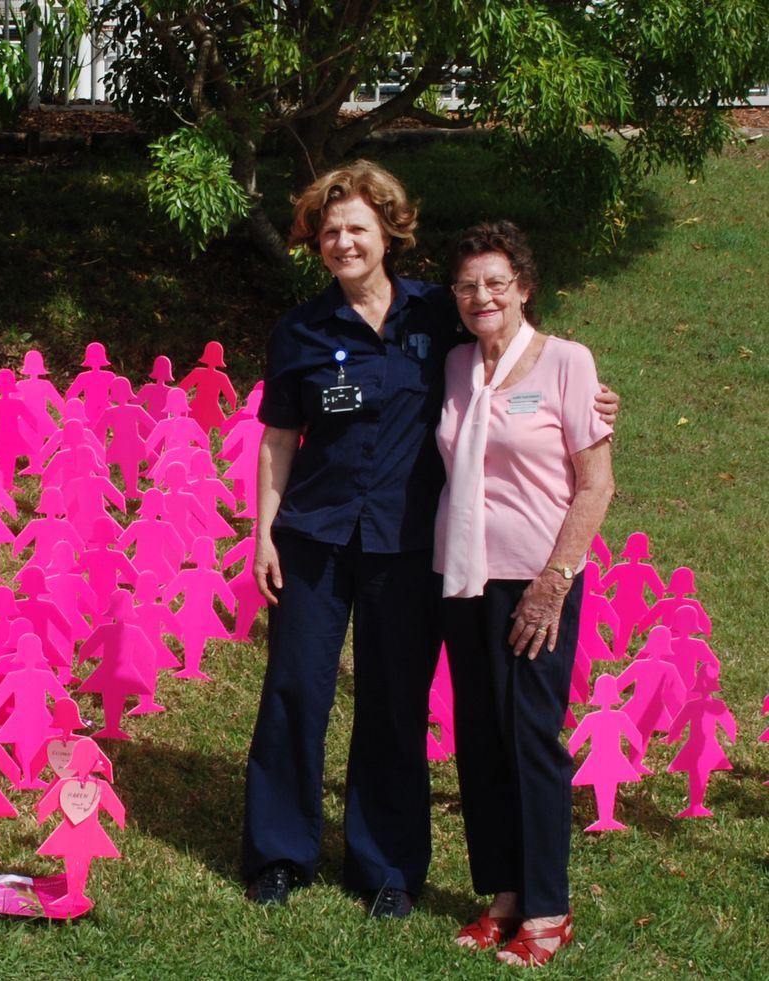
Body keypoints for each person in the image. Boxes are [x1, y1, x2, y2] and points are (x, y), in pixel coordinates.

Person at [238, 162, 615, 918]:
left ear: (387, 233)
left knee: (393, 701)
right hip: (313, 536)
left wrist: (593, 397)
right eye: (330, 231)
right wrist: (263, 532)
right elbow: (279, 439)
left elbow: (511, 354)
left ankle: (386, 867)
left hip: (406, 544)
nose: (343, 242)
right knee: (293, 692)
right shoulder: (301, 330)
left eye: (357, 228)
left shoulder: (436, 314)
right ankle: (280, 852)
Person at [434, 221, 613, 967]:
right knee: (479, 738)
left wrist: (553, 582)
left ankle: (547, 905)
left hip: (535, 580)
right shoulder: (453, 366)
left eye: (496, 282)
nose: (483, 296)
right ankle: (503, 892)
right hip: (462, 577)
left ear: (524, 288)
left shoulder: (568, 363)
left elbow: (596, 484)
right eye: (469, 285)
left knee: (531, 736)